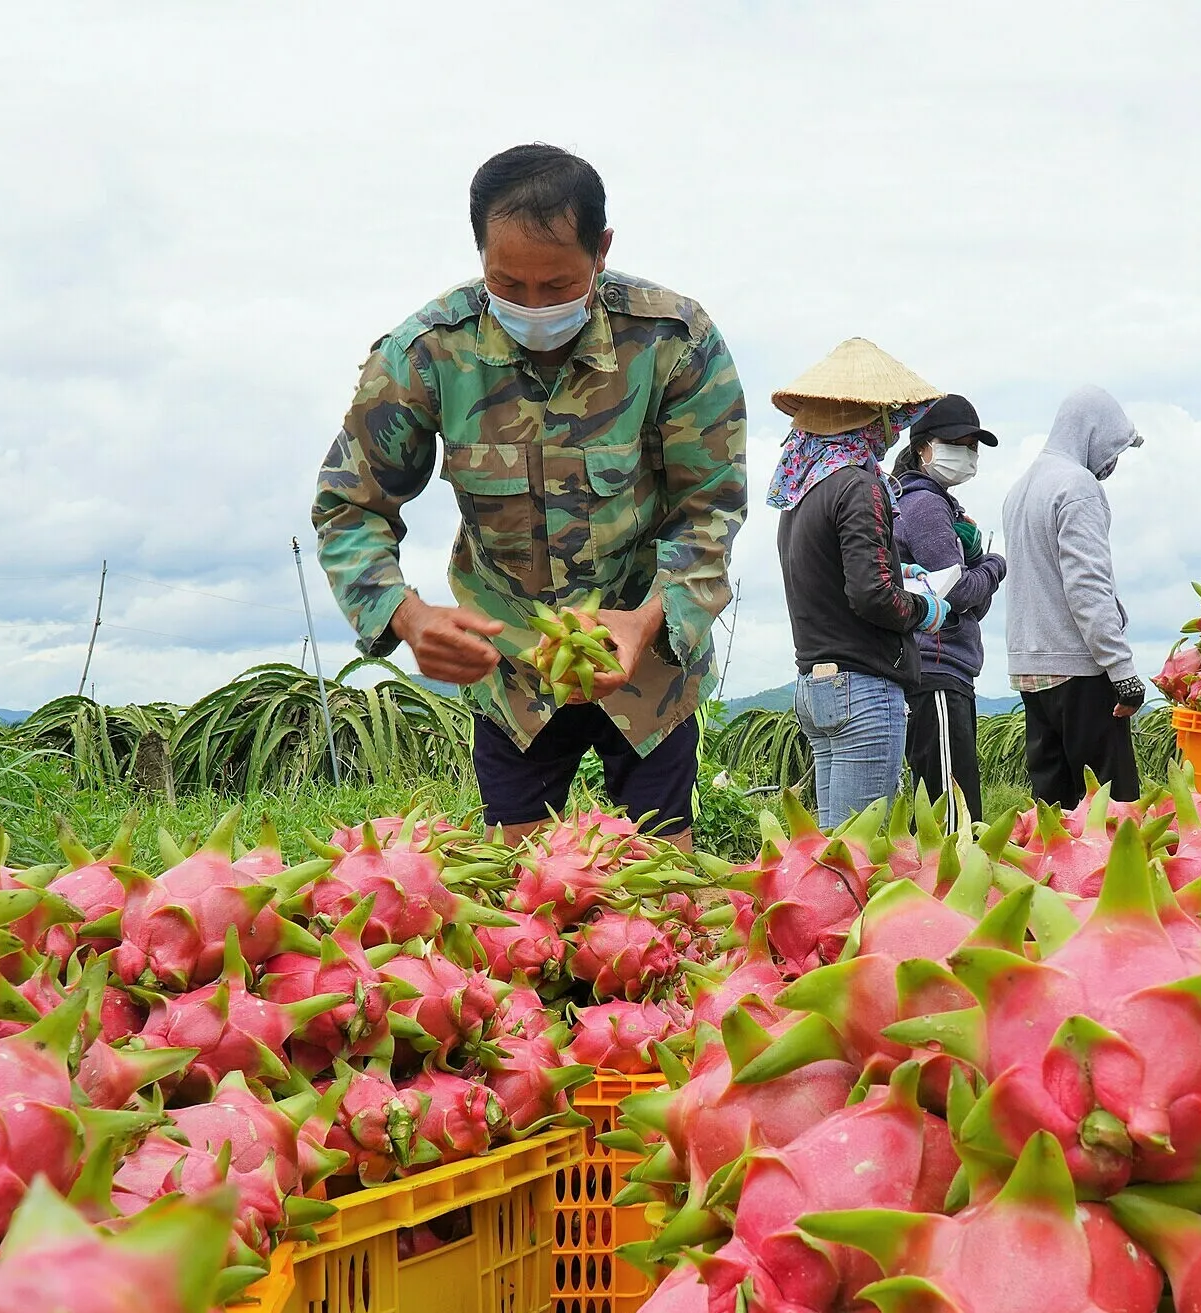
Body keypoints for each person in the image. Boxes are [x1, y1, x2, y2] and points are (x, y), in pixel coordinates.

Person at [314, 144, 744, 850]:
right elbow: (350, 507)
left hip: (648, 662)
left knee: (663, 883)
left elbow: (710, 510)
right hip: (509, 666)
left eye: (558, 284)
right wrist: (407, 615)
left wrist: (647, 622)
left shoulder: (675, 342)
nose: (533, 306)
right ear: (479, 253)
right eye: (507, 284)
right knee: (520, 894)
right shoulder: (427, 353)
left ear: (601, 251)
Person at [772, 339, 947, 830]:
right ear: (870, 420)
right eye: (888, 418)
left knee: (834, 845)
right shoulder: (857, 485)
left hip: (816, 684)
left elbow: (829, 574)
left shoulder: (803, 490)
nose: (893, 429)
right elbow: (871, 594)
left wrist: (898, 570)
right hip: (862, 687)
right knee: (861, 853)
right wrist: (924, 609)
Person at [1002, 385, 1147, 807]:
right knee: (1109, 814)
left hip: (1031, 671)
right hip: (1079, 672)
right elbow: (1088, 586)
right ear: (1092, 434)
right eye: (1112, 448)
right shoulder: (1076, 486)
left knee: (1054, 816)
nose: (1111, 462)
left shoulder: (1021, 488)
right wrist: (1123, 671)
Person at [891, 394, 1006, 824]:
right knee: (953, 815)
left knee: (946, 803)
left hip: (943, 669)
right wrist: (994, 564)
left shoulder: (935, 503)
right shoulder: (926, 505)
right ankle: (953, 890)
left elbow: (974, 602)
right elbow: (957, 595)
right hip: (937, 670)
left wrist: (975, 570)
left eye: (974, 446)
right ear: (923, 448)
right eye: (957, 442)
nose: (968, 454)